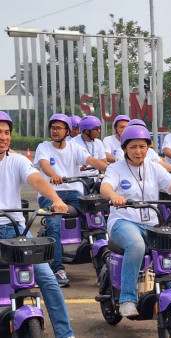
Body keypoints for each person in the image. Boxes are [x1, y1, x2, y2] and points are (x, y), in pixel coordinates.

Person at [100, 125, 171, 336]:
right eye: (133, 147)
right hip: (123, 222)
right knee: (136, 245)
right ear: (125, 148)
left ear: (148, 147)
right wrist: (113, 196)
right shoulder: (116, 168)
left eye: (142, 146)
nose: (138, 151)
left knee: (168, 259)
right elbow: (105, 186)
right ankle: (127, 299)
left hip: (150, 224)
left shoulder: (154, 167)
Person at [0, 111, 75, 338]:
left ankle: (65, 334)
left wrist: (56, 199)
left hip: (16, 230)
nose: (3, 137)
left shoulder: (18, 161)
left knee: (48, 279)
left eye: (6, 133)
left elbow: (36, 180)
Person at [34, 113, 108, 285]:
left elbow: (91, 160)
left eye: (59, 128)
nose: (55, 131)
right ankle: (58, 269)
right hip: (51, 194)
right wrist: (53, 175)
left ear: (67, 131)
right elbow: (44, 164)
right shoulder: (43, 147)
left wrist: (111, 169)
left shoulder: (74, 148)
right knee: (54, 226)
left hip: (74, 193)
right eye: (53, 128)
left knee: (96, 220)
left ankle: (105, 263)